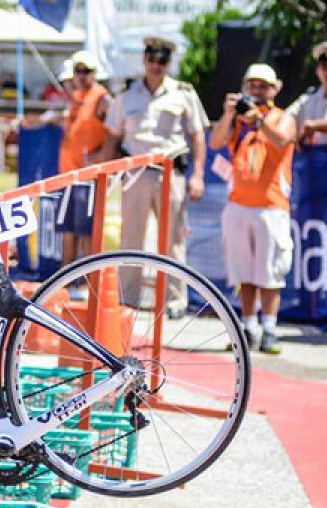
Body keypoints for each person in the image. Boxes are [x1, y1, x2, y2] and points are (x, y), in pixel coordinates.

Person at [99, 36, 209, 318]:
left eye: (162, 61)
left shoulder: (183, 93)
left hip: (171, 173)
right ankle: (128, 299)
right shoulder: (127, 94)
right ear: (144, 60)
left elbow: (198, 136)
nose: (156, 66)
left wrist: (198, 174)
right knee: (131, 238)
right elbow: (113, 137)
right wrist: (105, 173)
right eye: (152, 60)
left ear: (168, 63)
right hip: (135, 173)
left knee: (173, 239)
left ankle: (174, 300)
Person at [209, 63, 297, 354]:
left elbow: (283, 140)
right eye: (253, 85)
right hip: (238, 205)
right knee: (243, 271)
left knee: (270, 273)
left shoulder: (282, 118)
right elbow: (216, 142)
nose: (257, 90)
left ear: (275, 89)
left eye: (263, 86)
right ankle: (248, 327)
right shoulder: (239, 120)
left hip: (271, 207)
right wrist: (228, 113)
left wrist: (258, 118)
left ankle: (270, 328)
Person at [52, 51, 111, 269]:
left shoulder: (102, 98)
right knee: (67, 230)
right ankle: (66, 279)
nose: (82, 76)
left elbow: (116, 131)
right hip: (68, 175)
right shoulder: (77, 98)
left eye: (86, 71)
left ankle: (87, 281)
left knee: (86, 231)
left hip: (88, 177)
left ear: (95, 73)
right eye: (78, 71)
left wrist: (102, 154)